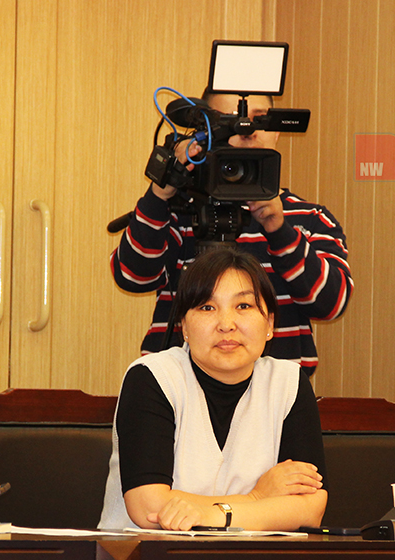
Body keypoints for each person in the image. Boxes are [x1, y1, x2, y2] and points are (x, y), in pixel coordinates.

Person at [110, 89, 352, 375]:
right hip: (177, 386)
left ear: (276, 132)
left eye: (259, 120)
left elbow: (331, 304)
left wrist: (280, 231)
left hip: (278, 390)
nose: (247, 130)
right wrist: (159, 195)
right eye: (229, 120)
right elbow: (133, 277)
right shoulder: (176, 208)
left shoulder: (309, 218)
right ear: (203, 132)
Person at [99, 247, 328, 531]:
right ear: (184, 326)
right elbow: (149, 507)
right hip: (141, 555)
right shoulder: (153, 377)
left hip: (250, 557)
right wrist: (257, 498)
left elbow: (310, 508)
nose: (226, 325)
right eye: (207, 307)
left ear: (270, 323)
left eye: (243, 306)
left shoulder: (289, 383)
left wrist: (210, 515)